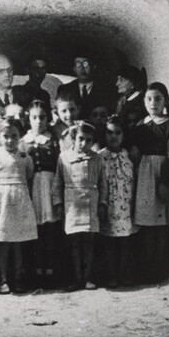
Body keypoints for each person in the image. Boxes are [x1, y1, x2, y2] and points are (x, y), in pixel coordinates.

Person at [0, 118, 38, 294]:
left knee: (18, 242)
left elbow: (28, 176)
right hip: (3, 202)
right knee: (4, 242)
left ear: (20, 136)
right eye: (6, 136)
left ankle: (18, 278)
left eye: (14, 136)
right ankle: (3, 279)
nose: (10, 140)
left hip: (19, 200)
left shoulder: (24, 157)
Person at [131, 82, 169, 283]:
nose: (153, 103)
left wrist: (165, 181)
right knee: (147, 223)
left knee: (160, 223)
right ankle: (147, 266)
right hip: (144, 173)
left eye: (158, 99)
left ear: (165, 101)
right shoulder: (141, 126)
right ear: (144, 101)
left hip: (160, 172)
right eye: (149, 99)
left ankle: (160, 267)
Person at [52, 121, 108, 291]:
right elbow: (57, 183)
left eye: (89, 140)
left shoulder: (97, 158)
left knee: (89, 243)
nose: (84, 144)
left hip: (90, 202)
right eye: (81, 139)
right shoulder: (64, 157)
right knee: (75, 243)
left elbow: (103, 183)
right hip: (72, 204)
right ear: (74, 139)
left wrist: (103, 203)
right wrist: (59, 203)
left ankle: (88, 277)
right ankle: (77, 278)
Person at [20, 100, 61, 282]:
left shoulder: (52, 140)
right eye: (34, 117)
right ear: (28, 118)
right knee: (34, 229)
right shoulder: (23, 141)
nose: (38, 121)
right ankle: (35, 270)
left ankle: (51, 269)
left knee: (50, 229)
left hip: (50, 184)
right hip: (32, 186)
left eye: (42, 117)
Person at [97, 117, 138, 287]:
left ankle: (124, 274)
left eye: (118, 133)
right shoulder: (99, 156)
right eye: (109, 132)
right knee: (109, 243)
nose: (114, 136)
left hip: (126, 204)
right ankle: (111, 275)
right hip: (109, 204)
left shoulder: (129, 155)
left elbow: (134, 179)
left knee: (125, 242)